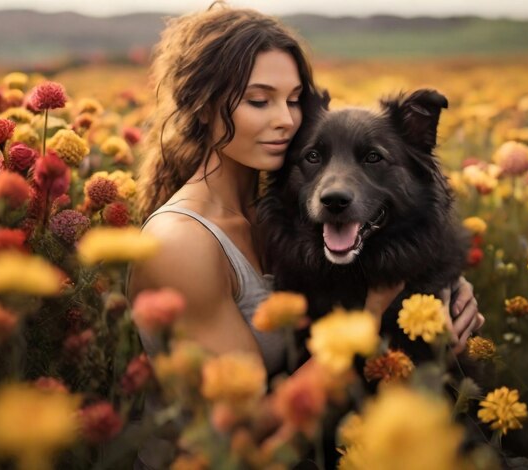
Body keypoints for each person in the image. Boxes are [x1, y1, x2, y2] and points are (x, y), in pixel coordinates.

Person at [128, 3, 484, 468]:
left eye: (294, 99)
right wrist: (372, 313)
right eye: (260, 101)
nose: (286, 120)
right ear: (202, 105)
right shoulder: (182, 242)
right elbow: (241, 431)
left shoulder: (280, 216)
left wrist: (442, 299)